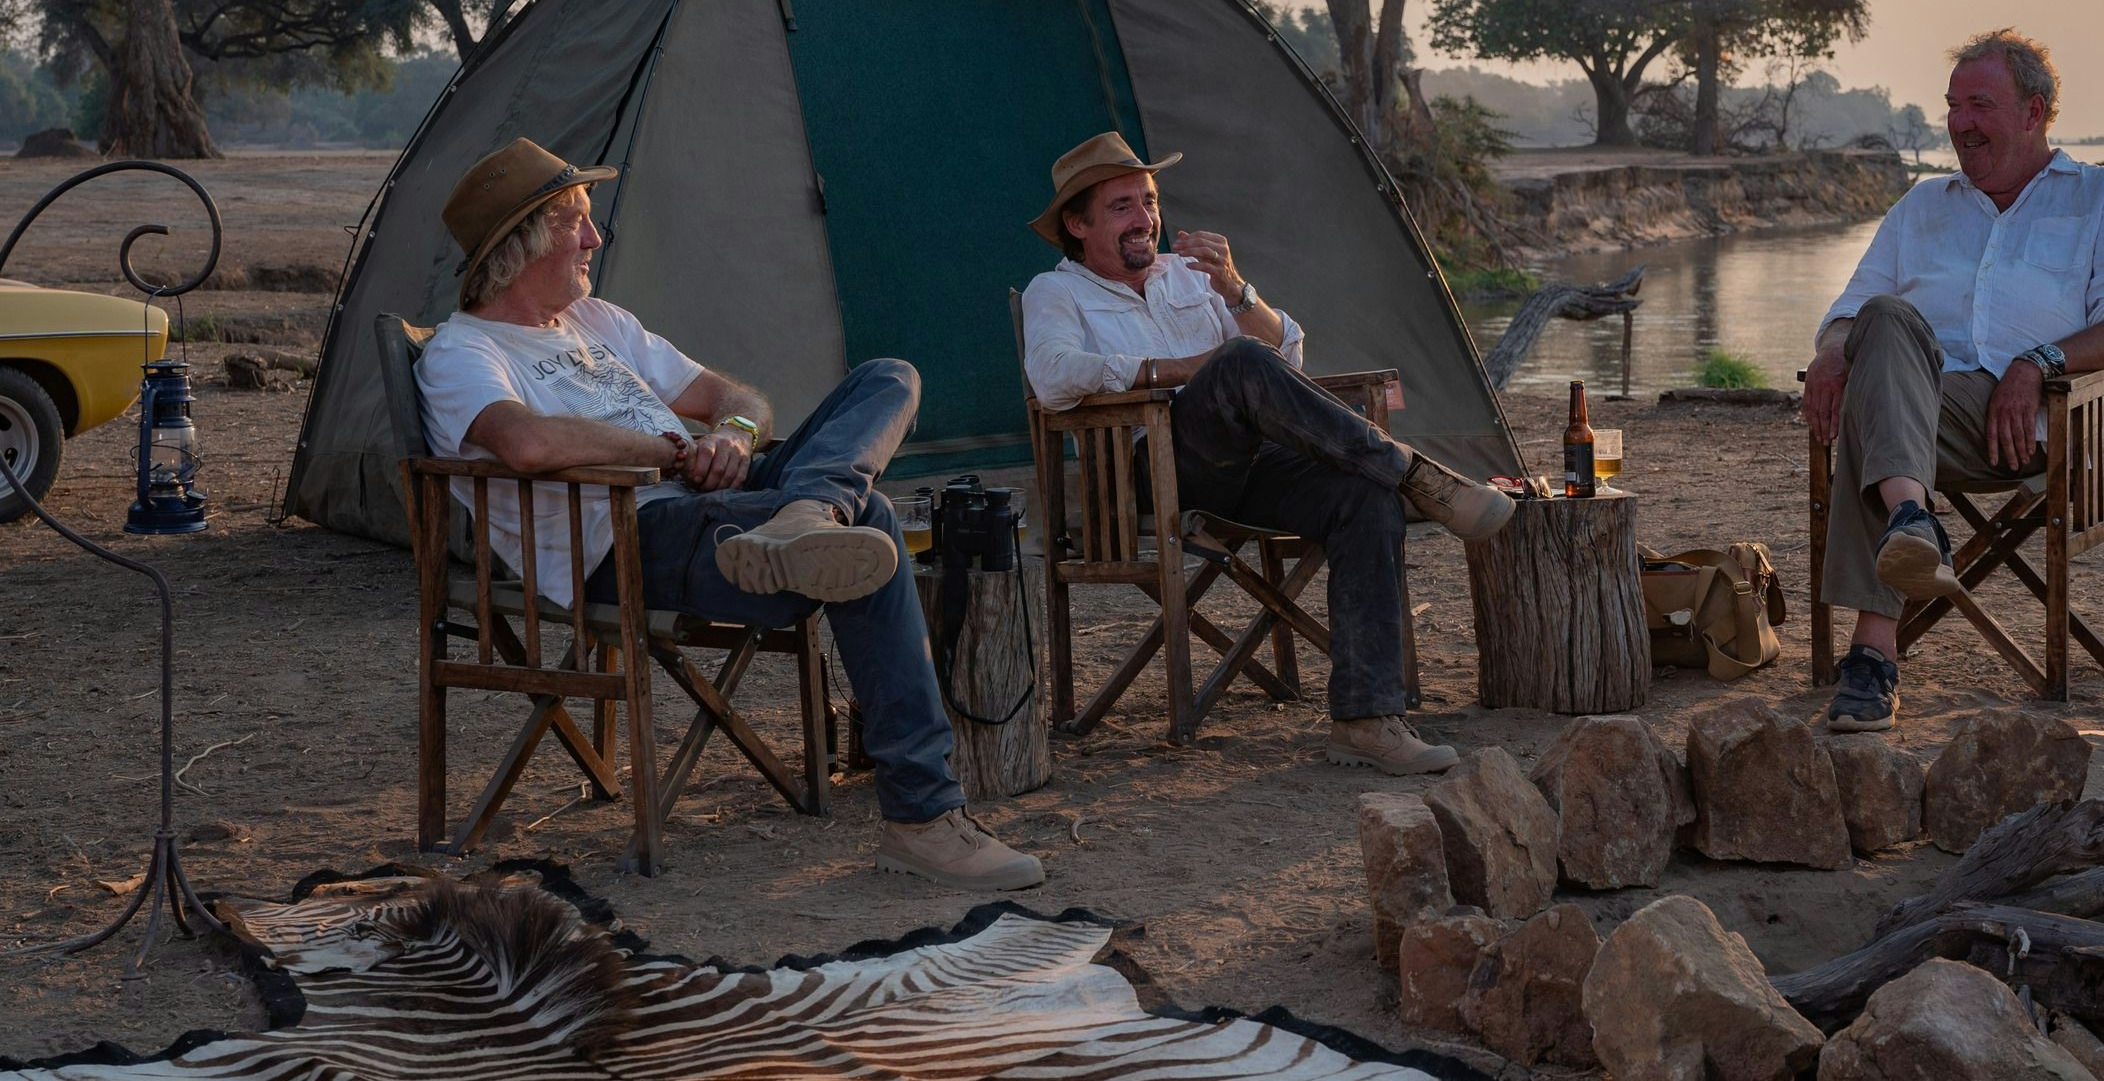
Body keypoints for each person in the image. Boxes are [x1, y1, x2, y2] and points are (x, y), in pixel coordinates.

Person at [417, 138, 1042, 891]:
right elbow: (523, 441)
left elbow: (737, 399)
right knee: (870, 518)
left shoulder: (601, 322)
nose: (594, 237)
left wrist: (733, 436)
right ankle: (923, 818)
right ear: (517, 245)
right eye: (572, 221)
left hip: (725, 503)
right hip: (630, 538)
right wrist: (669, 451)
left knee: (889, 376)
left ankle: (809, 510)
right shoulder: (463, 350)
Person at [1017, 133, 1517, 777]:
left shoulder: (1188, 276)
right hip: (1151, 470)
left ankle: (1365, 720)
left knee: (1363, 496)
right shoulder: (1054, 292)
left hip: (1247, 466)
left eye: (1149, 201)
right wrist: (1184, 369)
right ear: (1078, 225)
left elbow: (1290, 359)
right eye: (1121, 207)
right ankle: (1418, 474)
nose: (1145, 219)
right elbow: (1053, 376)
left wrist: (1236, 291)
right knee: (1237, 364)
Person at [1802, 32, 2104, 733]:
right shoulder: (1923, 205)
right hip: (1916, 408)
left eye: (1979, 104)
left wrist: (2037, 363)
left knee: (1875, 420)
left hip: (2034, 424)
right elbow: (1849, 312)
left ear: (2034, 111)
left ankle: (1876, 646)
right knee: (1883, 323)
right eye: (1953, 105)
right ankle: (1911, 522)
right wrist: (1830, 351)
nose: (1961, 121)